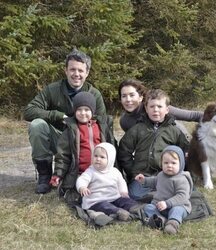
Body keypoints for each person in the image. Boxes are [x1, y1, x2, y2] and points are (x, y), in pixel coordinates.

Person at [23, 49, 106, 194]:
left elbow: (103, 124)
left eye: (81, 70)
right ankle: (44, 175)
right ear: (66, 71)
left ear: (87, 72)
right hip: (59, 138)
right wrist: (57, 115)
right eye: (72, 69)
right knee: (37, 125)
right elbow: (29, 111)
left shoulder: (94, 94)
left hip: (82, 142)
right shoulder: (52, 90)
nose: (76, 74)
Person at [118, 89, 189, 201]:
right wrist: (132, 171)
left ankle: (161, 196)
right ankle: (157, 197)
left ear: (167, 110)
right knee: (134, 195)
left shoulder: (174, 131)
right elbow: (124, 151)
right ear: (146, 109)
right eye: (152, 107)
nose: (155, 110)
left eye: (159, 107)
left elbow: (185, 153)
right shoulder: (137, 129)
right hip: (143, 175)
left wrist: (178, 173)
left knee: (182, 193)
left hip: (166, 175)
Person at [49, 91, 116, 206]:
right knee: (80, 196)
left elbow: (112, 149)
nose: (83, 113)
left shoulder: (101, 127)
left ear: (93, 111)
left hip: (101, 172)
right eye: (79, 110)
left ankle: (108, 203)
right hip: (80, 173)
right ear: (74, 111)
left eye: (86, 110)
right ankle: (90, 202)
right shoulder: (70, 130)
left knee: (108, 192)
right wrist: (58, 174)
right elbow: (62, 155)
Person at [135, 145, 193, 235]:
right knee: (148, 207)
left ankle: (172, 224)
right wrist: (144, 180)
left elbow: (182, 196)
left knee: (177, 210)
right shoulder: (161, 175)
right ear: (161, 163)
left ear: (181, 164)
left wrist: (167, 203)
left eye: (173, 163)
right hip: (160, 206)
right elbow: (154, 181)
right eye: (166, 163)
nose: (169, 166)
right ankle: (160, 220)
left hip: (177, 205)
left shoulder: (181, 179)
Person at [76, 142, 137, 221]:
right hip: (96, 201)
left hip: (114, 198)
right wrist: (82, 187)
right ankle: (118, 212)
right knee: (105, 206)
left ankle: (135, 208)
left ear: (110, 159)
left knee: (125, 201)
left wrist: (123, 191)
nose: (98, 159)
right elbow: (82, 179)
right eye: (95, 156)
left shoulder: (115, 171)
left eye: (102, 157)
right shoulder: (91, 171)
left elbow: (121, 182)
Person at [118, 79, 203, 135]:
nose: (128, 99)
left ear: (140, 97)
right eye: (124, 96)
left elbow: (193, 116)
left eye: (132, 95)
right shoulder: (124, 121)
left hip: (179, 151)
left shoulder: (156, 108)